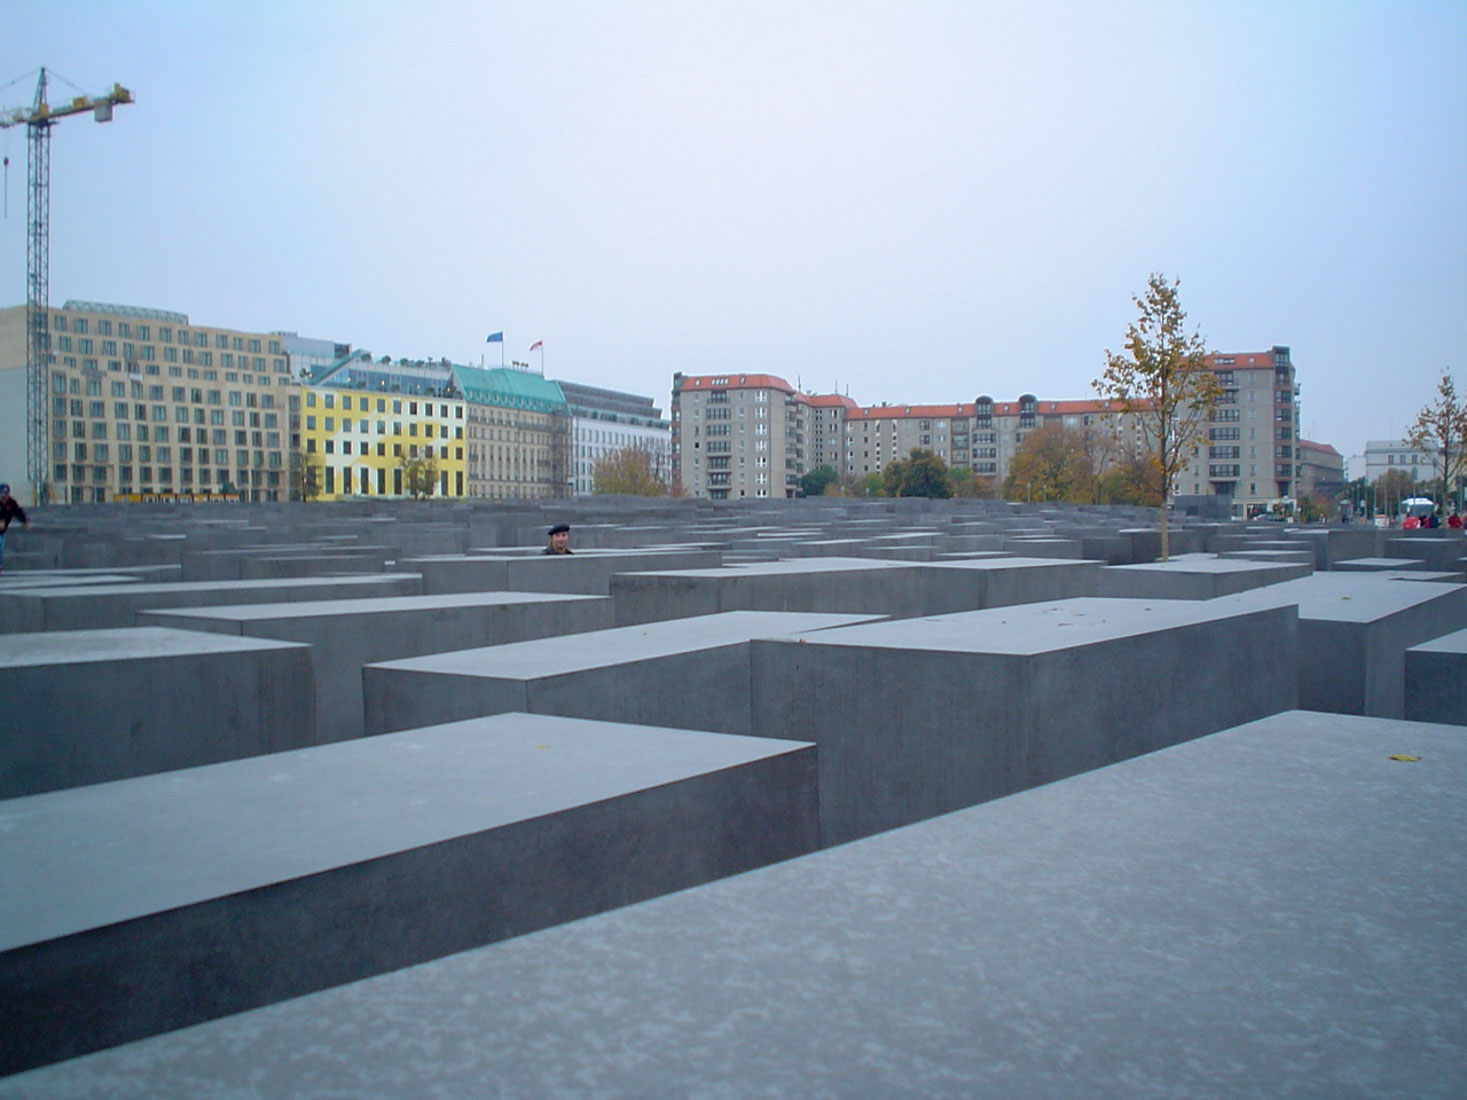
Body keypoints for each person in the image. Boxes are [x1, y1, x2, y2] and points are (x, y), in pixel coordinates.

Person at [0, 483, 28, 573]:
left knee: (1, 546)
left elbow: (18, 512)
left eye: (6, 496)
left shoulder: (11, 503)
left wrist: (24, 521)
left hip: (1, 531)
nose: (4, 499)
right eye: (2, 497)